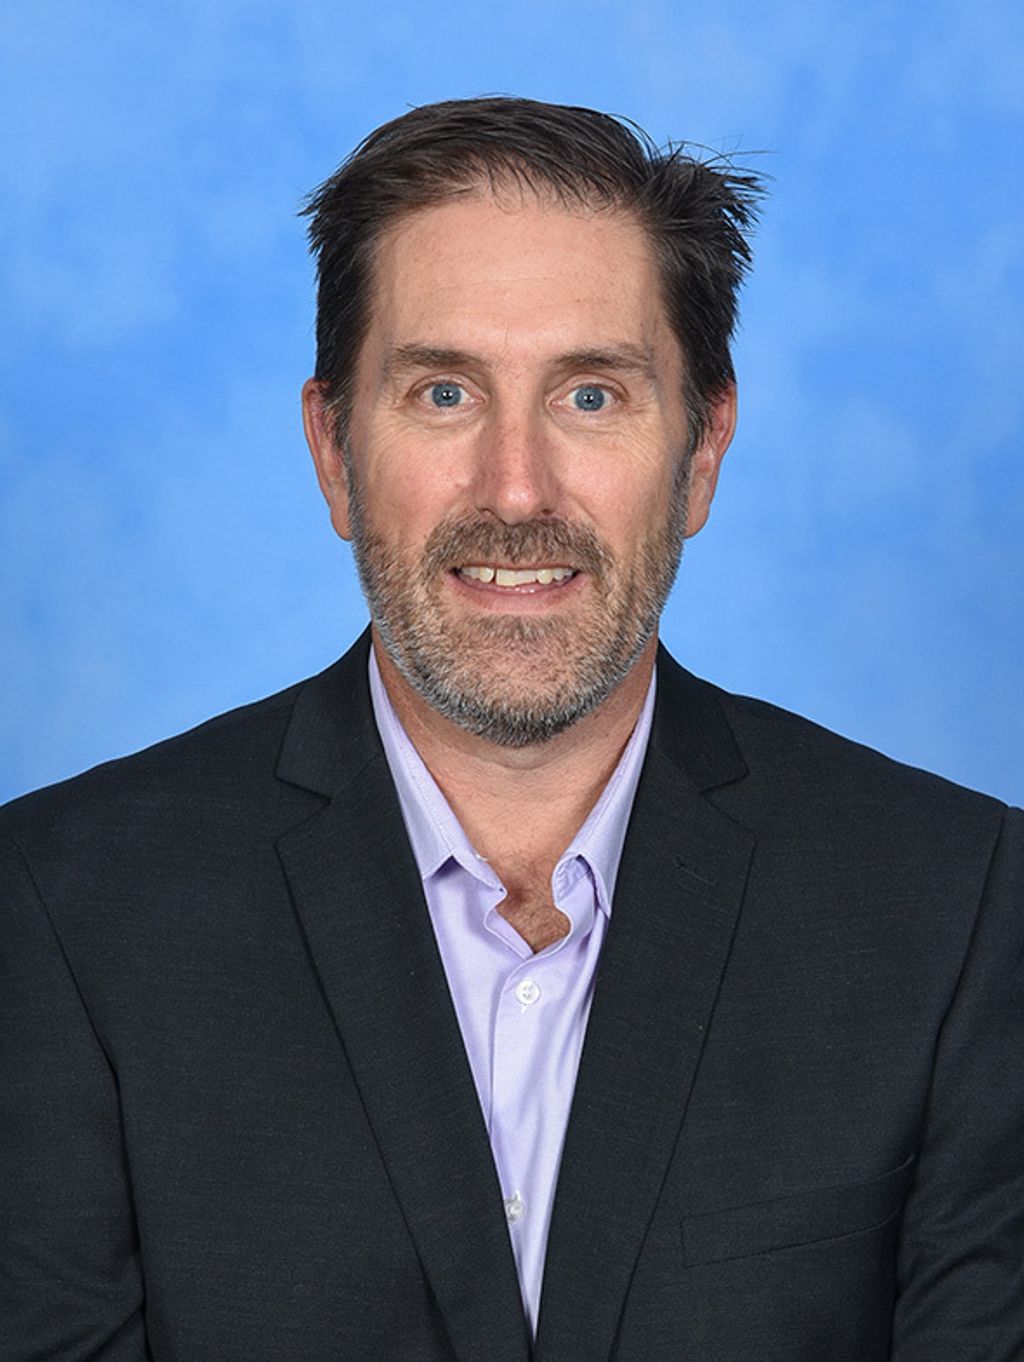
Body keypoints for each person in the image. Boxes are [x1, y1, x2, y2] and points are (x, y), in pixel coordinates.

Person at [1, 97, 1021, 1362]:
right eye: (443, 392)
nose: (517, 489)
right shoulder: (59, 909)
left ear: (701, 452)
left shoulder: (960, 904)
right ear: (333, 451)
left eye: (591, 395)